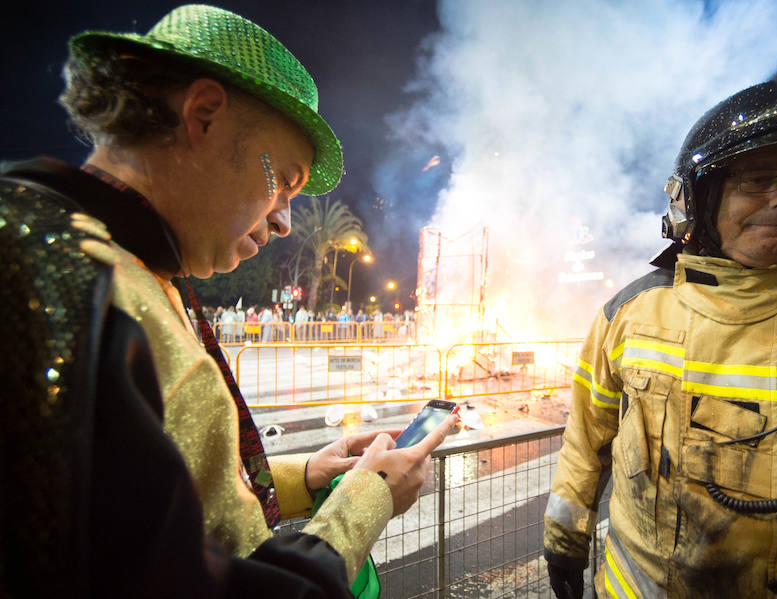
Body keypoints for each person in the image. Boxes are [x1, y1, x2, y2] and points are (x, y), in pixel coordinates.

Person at [2, 5, 456, 597]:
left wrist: (302, 476)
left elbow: (164, 502)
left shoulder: (134, 267)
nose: (286, 221)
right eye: (284, 181)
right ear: (204, 115)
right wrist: (366, 501)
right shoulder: (54, 276)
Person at [544, 67, 777, 599]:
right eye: (758, 179)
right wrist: (563, 540)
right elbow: (585, 439)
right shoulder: (632, 312)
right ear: (700, 199)